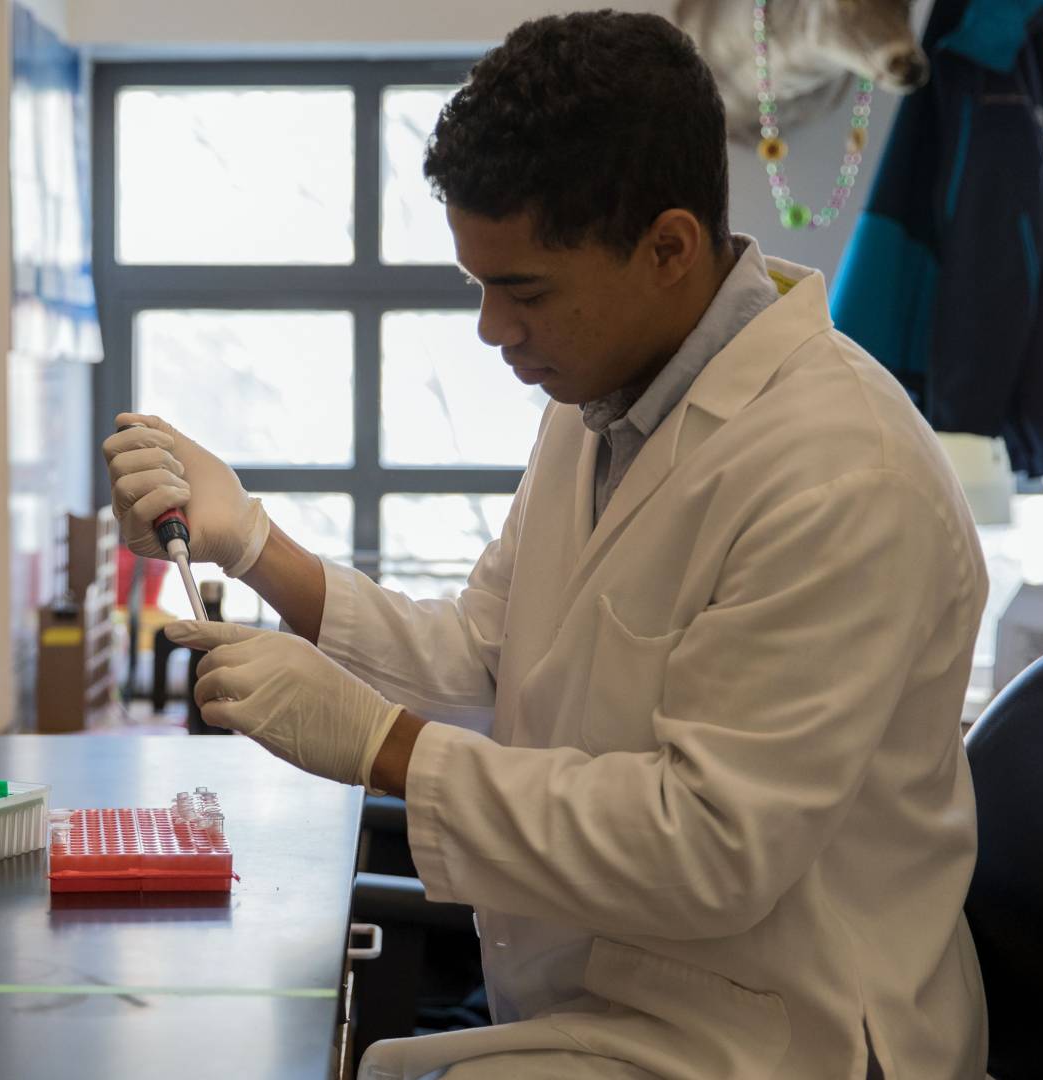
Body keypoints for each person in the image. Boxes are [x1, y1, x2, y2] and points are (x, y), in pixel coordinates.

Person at [103, 12, 988, 1079]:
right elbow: (487, 657)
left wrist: (378, 744)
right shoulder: (599, 404)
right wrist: (253, 543)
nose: (490, 328)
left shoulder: (842, 471)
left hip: (783, 1036)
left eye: (525, 290)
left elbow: (710, 846)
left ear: (668, 247)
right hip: (620, 1005)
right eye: (477, 284)